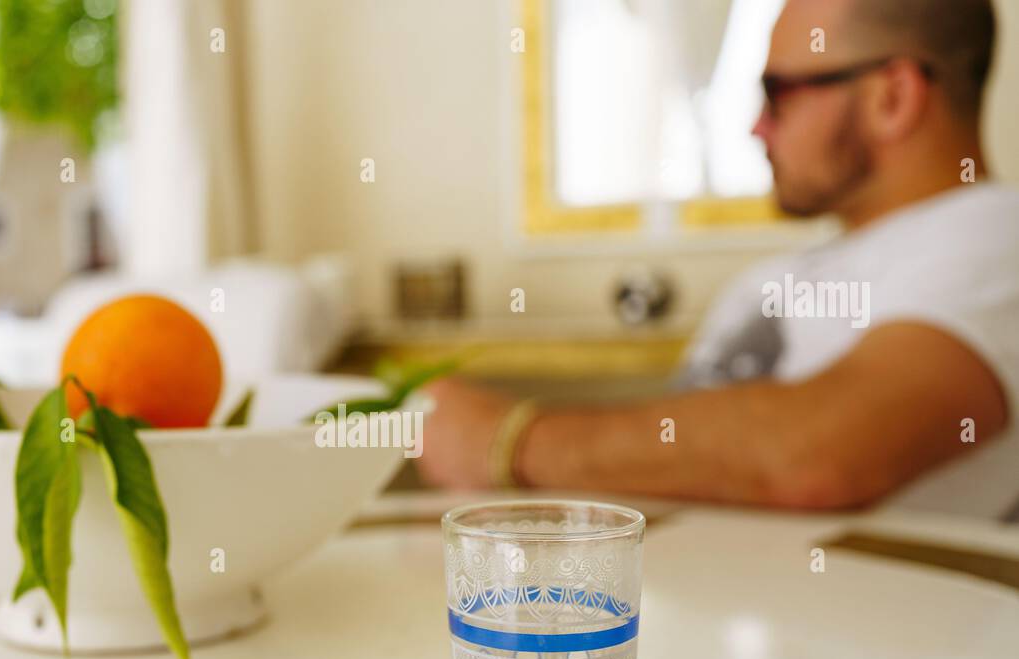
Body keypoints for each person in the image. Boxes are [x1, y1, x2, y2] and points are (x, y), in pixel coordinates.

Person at [420, 0, 1019, 520]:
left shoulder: (993, 235)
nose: (756, 128)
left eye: (779, 93)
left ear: (893, 97)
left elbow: (823, 456)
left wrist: (506, 441)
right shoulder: (778, 276)